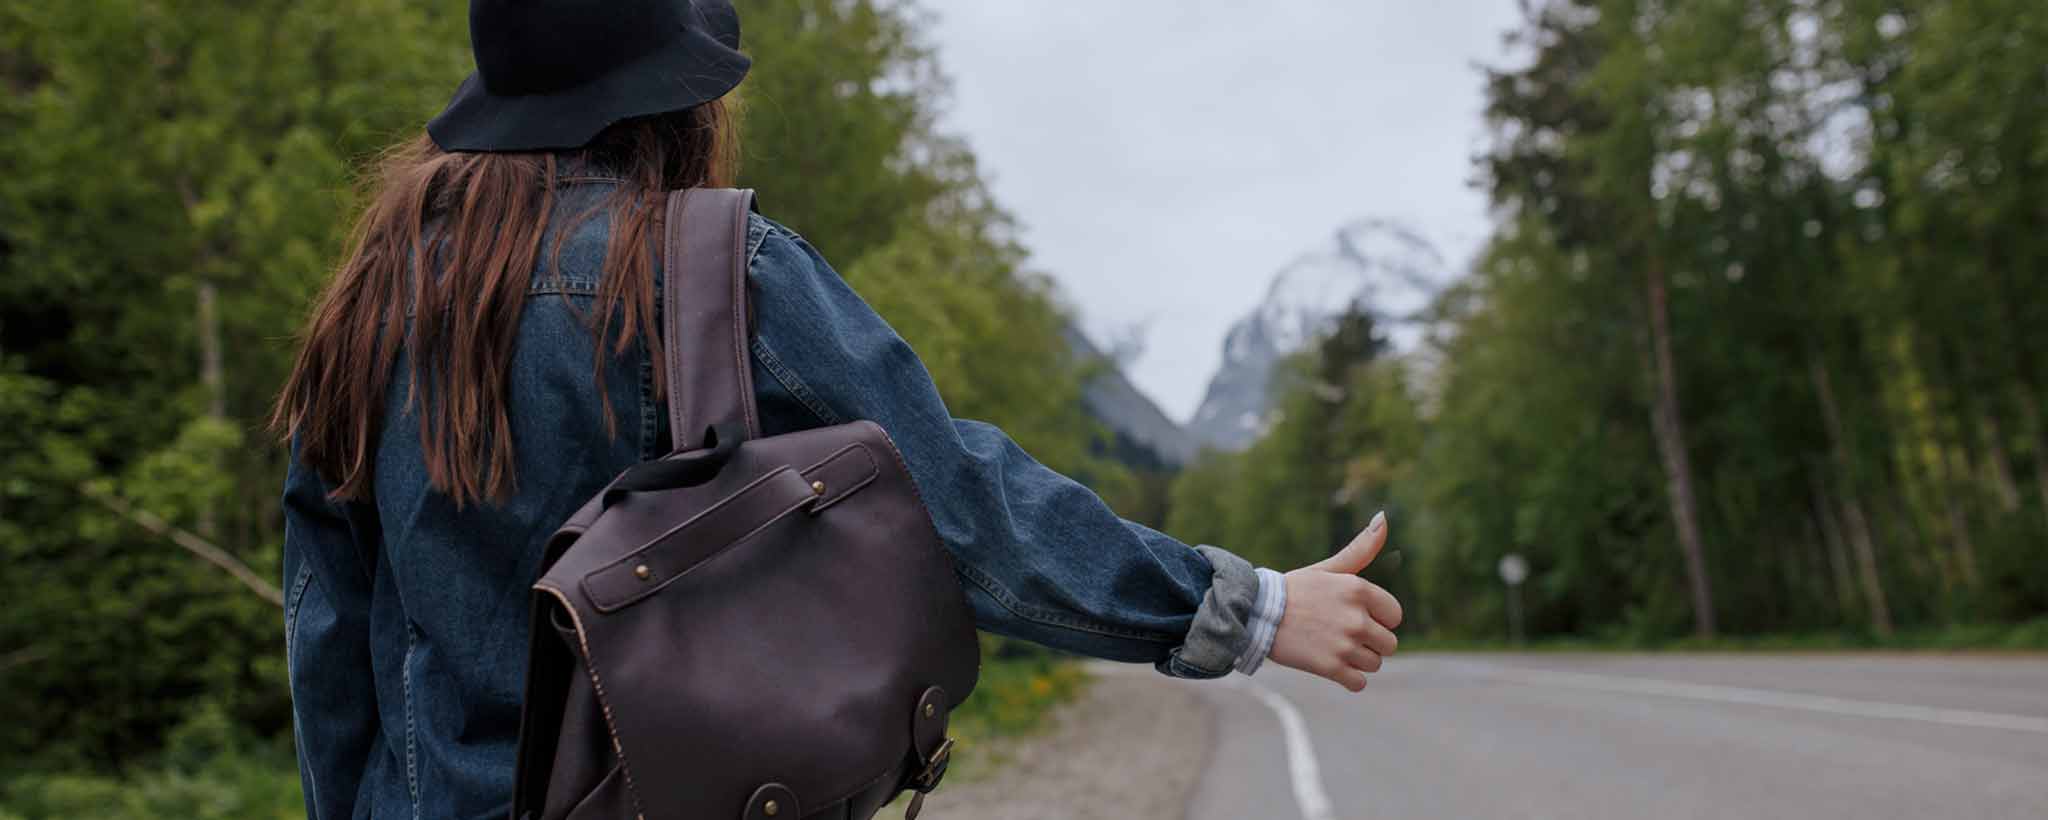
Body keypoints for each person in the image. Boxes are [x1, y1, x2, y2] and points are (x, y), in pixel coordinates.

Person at [270, 1, 1403, 818]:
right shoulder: (709, 267)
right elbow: (962, 510)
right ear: (678, 101)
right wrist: (1245, 610)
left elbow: (327, 630)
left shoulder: (378, 297)